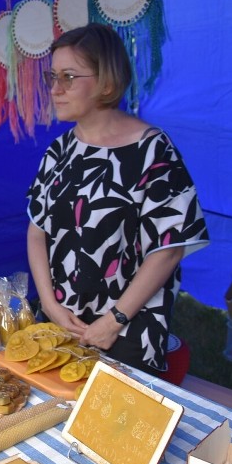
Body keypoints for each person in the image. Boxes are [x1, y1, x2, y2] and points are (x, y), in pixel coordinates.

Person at [26, 23, 209, 376]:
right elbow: (37, 231)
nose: (55, 89)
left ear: (107, 82)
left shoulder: (152, 150)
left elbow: (168, 247)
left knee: (113, 423)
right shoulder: (59, 151)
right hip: (61, 321)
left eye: (68, 77)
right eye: (52, 76)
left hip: (127, 331)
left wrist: (114, 321)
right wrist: (49, 304)